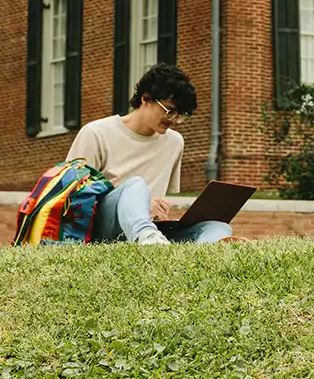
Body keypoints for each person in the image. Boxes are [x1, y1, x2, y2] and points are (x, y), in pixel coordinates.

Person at [66, 64, 232, 245]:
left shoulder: (174, 142)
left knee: (217, 226)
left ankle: (204, 249)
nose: (174, 119)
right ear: (146, 98)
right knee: (135, 185)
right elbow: (71, 198)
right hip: (103, 228)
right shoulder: (96, 133)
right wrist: (141, 204)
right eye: (170, 110)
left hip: (152, 226)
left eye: (180, 114)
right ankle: (146, 235)